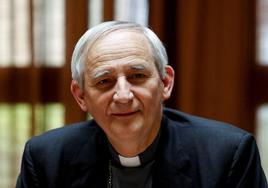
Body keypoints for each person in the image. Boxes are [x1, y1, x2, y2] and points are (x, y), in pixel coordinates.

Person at [16, 21, 267, 188]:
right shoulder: (46, 160)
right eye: (105, 81)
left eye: (137, 76)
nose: (123, 95)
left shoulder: (228, 155)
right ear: (81, 96)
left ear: (165, 83)